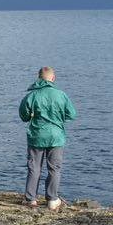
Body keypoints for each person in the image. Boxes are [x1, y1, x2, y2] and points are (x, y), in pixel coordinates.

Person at [18, 66, 77, 210]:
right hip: (56, 137)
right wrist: (58, 117)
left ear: (39, 78)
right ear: (53, 78)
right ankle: (52, 199)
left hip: (37, 136)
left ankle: (31, 199)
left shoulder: (32, 96)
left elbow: (23, 116)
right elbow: (72, 114)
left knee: (34, 167)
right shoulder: (61, 95)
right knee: (54, 168)